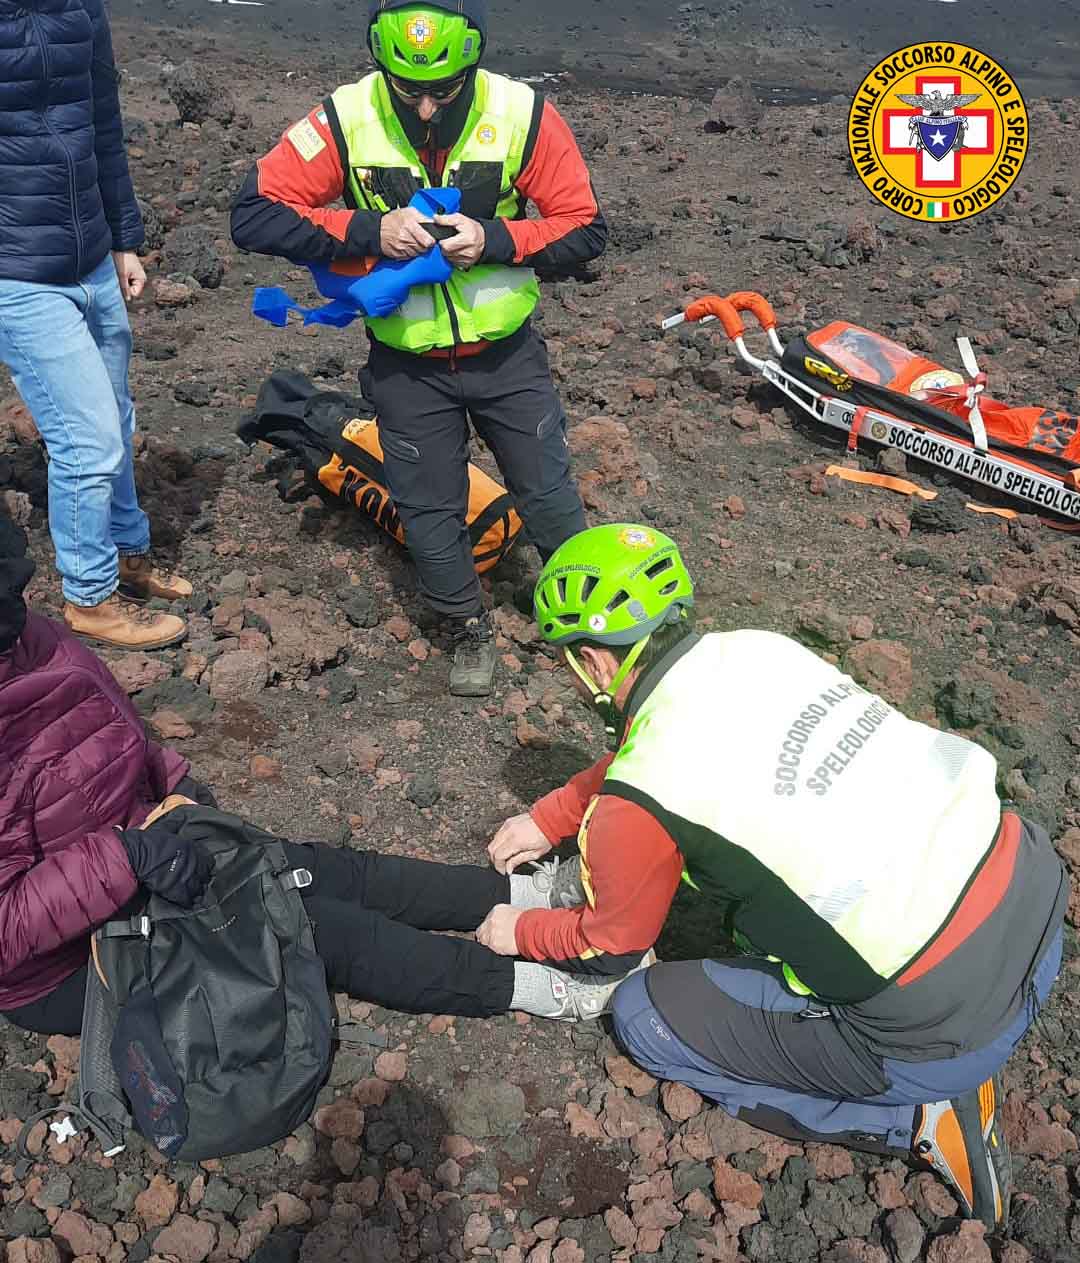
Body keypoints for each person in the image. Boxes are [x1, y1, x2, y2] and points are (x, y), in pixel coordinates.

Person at [476, 523, 1067, 1230]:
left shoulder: (640, 795)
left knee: (643, 1015)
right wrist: (556, 814)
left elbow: (612, 942)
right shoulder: (756, 650)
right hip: (1032, 904)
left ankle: (919, 1116)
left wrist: (521, 928)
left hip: (945, 1025)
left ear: (597, 664)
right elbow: (658, 744)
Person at [0, 517, 634, 1041]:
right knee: (316, 931)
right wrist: (125, 857)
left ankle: (529, 899)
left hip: (151, 846)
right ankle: (548, 989)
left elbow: (115, 732)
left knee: (329, 872)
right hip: (72, 957)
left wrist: (176, 785)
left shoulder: (29, 640)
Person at [230, 0, 604, 698]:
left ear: (472, 60)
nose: (427, 109)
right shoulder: (343, 119)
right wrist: (373, 231)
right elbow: (252, 214)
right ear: (379, 60)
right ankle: (467, 627)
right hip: (406, 365)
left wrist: (493, 238)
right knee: (429, 507)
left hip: (507, 355)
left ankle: (587, 620)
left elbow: (585, 229)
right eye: (408, 90)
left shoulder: (524, 114)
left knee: (548, 492)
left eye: (444, 90)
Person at [0, 0, 191, 651]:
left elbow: (104, 124)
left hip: (91, 257)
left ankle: (129, 555)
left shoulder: (83, 6)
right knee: (88, 440)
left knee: (117, 417)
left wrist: (124, 241)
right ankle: (89, 596)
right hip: (18, 271)